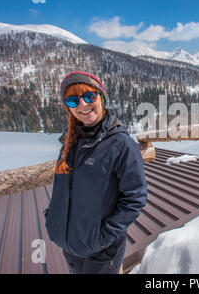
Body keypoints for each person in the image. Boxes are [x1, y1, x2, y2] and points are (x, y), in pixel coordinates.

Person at [44, 71, 147, 274]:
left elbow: (135, 198)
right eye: (73, 101)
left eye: (89, 96)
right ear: (68, 107)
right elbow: (63, 188)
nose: (82, 105)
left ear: (101, 97)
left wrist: (103, 237)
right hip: (71, 243)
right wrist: (54, 218)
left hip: (102, 251)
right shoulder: (71, 142)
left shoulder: (121, 144)